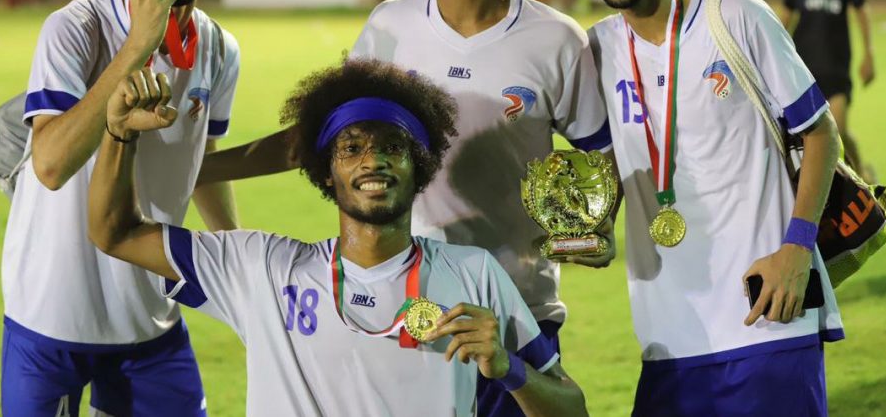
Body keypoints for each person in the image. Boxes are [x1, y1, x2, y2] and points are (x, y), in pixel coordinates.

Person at [200, 0, 613, 417]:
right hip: (412, 311)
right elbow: (326, 136)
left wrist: (597, 226)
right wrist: (198, 169)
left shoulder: (557, 38)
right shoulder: (391, 27)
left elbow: (601, 156)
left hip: (516, 313)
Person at [88, 60, 589, 417]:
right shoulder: (261, 267)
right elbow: (115, 232)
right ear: (326, 171)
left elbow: (572, 408)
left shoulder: (474, 273)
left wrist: (508, 368)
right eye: (351, 148)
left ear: (419, 168)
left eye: (393, 147)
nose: (373, 161)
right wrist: (118, 134)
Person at [567, 0, 844, 416]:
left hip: (767, 313)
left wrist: (797, 248)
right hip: (670, 332)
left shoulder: (734, 17)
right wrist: (593, 229)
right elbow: (609, 166)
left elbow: (820, 132)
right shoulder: (597, 50)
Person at [0, 0, 240, 416]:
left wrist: (238, 267)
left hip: (150, 317)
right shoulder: (76, 27)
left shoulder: (220, 49)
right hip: (51, 313)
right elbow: (51, 165)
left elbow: (201, 165)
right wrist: (137, 46)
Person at [782, 0, 874, 174]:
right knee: (808, 136)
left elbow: (860, 7)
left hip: (836, 60)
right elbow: (788, 12)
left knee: (839, 130)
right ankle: (853, 177)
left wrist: (869, 54)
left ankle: (862, 176)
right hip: (803, 62)